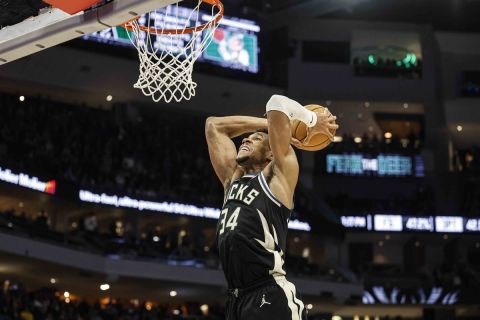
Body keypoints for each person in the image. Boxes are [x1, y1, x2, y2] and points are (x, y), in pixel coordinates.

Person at [205, 95, 338, 320]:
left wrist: (310, 119)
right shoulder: (232, 181)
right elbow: (213, 126)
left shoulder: (278, 179)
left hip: (269, 293)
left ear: (270, 154)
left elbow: (277, 102)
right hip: (236, 298)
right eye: (246, 138)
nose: (246, 139)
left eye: (256, 139)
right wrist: (266, 125)